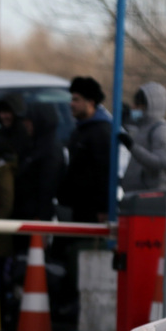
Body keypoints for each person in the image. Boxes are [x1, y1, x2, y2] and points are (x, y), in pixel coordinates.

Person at [60, 77, 113, 223]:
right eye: (72, 99)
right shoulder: (79, 130)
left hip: (93, 212)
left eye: (76, 100)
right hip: (78, 207)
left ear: (90, 103)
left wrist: (103, 209)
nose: (71, 104)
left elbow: (105, 172)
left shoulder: (101, 132)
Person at [120, 83, 166, 194]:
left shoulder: (160, 130)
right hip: (135, 193)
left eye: (138, 105)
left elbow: (159, 162)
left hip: (150, 196)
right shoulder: (142, 127)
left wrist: (132, 146)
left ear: (150, 106)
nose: (133, 107)